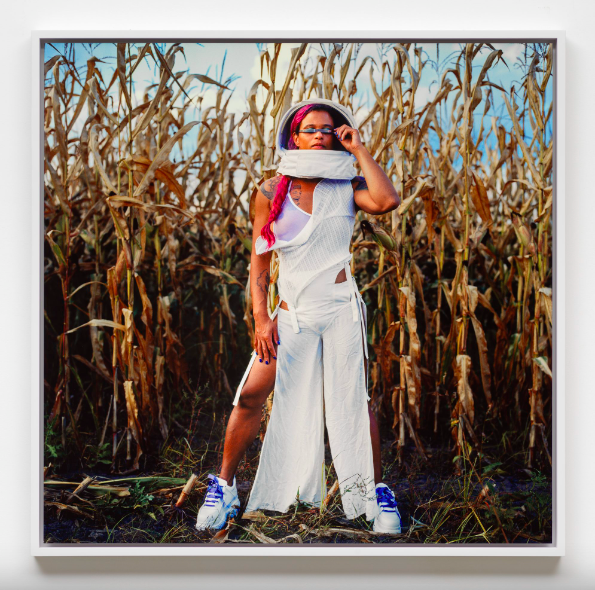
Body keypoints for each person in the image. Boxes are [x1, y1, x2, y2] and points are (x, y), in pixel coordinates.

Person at [195, 98, 402, 534]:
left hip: (341, 310)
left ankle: (378, 493)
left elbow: (387, 201)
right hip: (290, 315)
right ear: (294, 136)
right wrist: (261, 319)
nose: (321, 135)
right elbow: (259, 266)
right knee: (251, 394)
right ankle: (225, 486)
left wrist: (358, 148)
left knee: (355, 401)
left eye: (329, 129)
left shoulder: (346, 184)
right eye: (312, 129)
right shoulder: (271, 191)